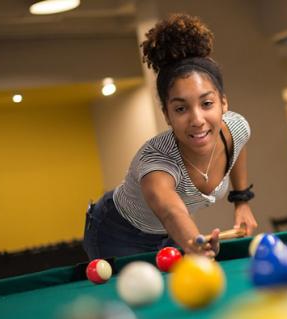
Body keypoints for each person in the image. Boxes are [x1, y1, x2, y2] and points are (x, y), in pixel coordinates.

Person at [83, 13, 257, 260]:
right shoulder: (155, 162)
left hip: (172, 230)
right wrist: (196, 246)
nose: (197, 119)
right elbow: (171, 212)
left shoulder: (236, 128)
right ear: (166, 114)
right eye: (181, 108)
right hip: (118, 232)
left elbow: (238, 147)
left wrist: (242, 201)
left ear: (223, 102)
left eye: (207, 103)